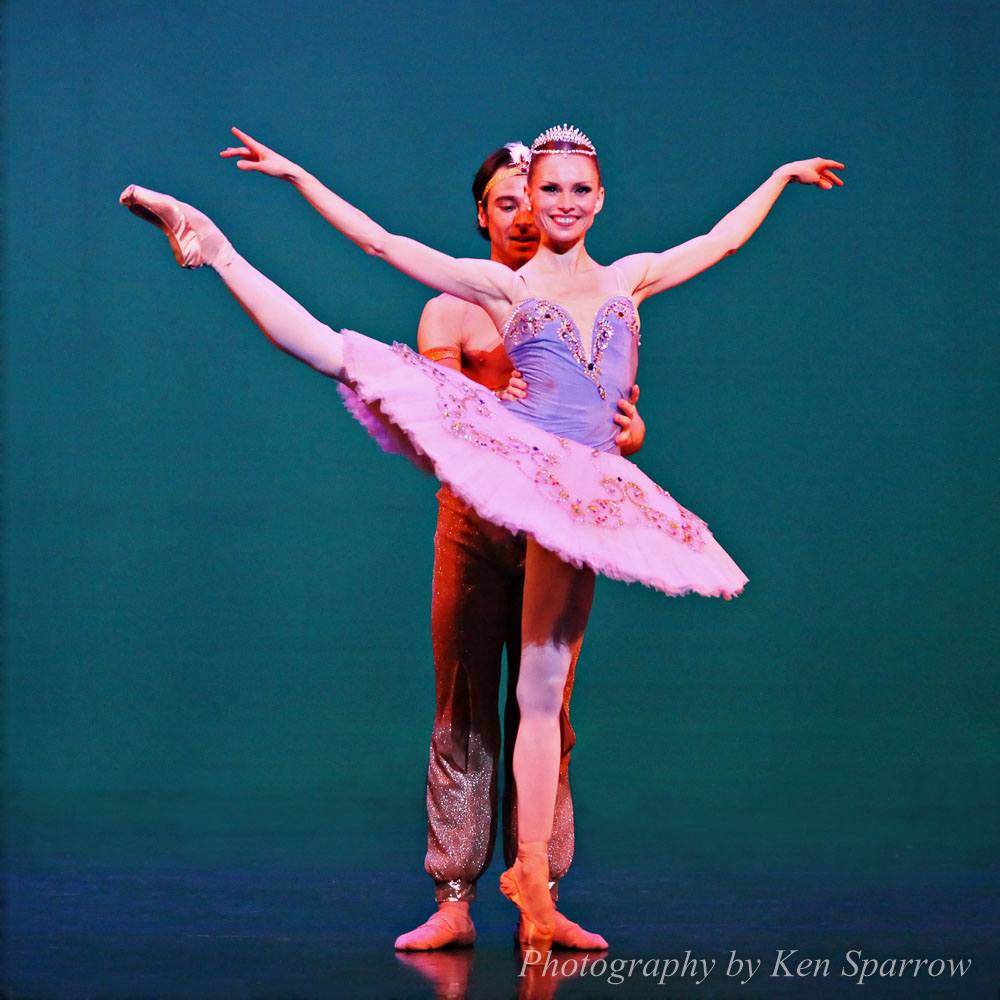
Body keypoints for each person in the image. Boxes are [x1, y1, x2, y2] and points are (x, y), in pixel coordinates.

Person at [120, 123, 842, 954]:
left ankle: (535, 886)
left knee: (542, 697)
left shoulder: (630, 278)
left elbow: (717, 241)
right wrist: (295, 175)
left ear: (600, 200)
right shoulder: (501, 288)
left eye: (581, 190)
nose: (565, 203)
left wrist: (781, 175)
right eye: (552, 190)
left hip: (585, 489)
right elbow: (384, 243)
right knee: (340, 353)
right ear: (530, 200)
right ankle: (214, 246)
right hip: (514, 461)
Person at [390, 143, 642, 952]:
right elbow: (434, 428)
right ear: (484, 213)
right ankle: (454, 896)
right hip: (474, 525)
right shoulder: (453, 310)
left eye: (532, 202)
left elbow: (613, 416)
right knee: (465, 707)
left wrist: (630, 433)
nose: (526, 217)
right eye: (507, 204)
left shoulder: (583, 298)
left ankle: (544, 887)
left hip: (559, 528)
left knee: (549, 710)